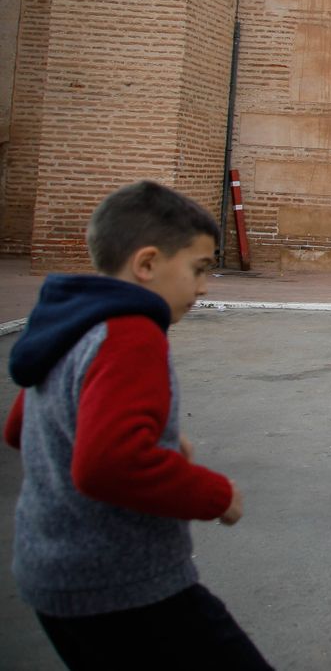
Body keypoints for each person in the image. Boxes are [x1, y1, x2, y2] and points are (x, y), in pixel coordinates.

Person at [4, 181, 268, 670]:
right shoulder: (132, 333)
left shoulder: (73, 323)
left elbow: (22, 426)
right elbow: (109, 464)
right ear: (147, 264)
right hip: (124, 585)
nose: (204, 288)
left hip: (51, 577)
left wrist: (160, 435)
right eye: (198, 269)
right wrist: (215, 495)